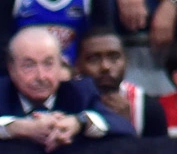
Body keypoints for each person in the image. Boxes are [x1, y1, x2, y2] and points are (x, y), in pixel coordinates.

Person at [1, 23, 130, 146]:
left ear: (60, 65)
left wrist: (80, 123)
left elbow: (124, 127)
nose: (41, 76)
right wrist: (16, 127)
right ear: (11, 69)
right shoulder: (3, 92)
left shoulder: (80, 92)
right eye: (29, 66)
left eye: (48, 64)